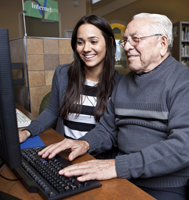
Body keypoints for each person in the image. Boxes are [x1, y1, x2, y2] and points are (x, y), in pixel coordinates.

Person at [38, 13, 189, 200]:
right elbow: (107, 128)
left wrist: (116, 166)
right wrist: (85, 143)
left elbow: (183, 147)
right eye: (126, 41)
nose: (127, 47)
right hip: (123, 175)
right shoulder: (125, 83)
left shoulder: (186, 83)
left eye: (135, 39)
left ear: (162, 43)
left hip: (164, 186)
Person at [19, 14, 123, 158]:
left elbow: (114, 131)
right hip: (64, 153)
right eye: (80, 42)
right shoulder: (62, 74)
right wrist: (27, 131)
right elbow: (52, 111)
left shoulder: (121, 83)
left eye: (93, 41)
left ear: (109, 42)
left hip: (98, 158)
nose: (86, 48)